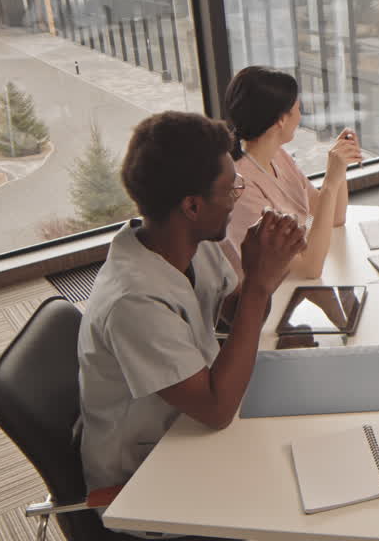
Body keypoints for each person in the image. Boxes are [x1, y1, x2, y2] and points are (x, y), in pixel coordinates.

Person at [77, 111, 305, 536]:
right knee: (298, 502)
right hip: (147, 476)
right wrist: (257, 286)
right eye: (230, 188)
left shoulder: (187, 242)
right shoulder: (134, 301)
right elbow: (216, 410)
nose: (238, 196)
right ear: (192, 206)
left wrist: (265, 269)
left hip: (187, 422)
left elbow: (233, 315)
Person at [223, 66, 362, 279]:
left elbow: (334, 217)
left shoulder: (278, 156)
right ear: (281, 119)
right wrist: (331, 182)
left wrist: (340, 165)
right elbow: (309, 268)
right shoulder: (241, 186)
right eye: (297, 109)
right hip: (271, 297)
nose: (300, 116)